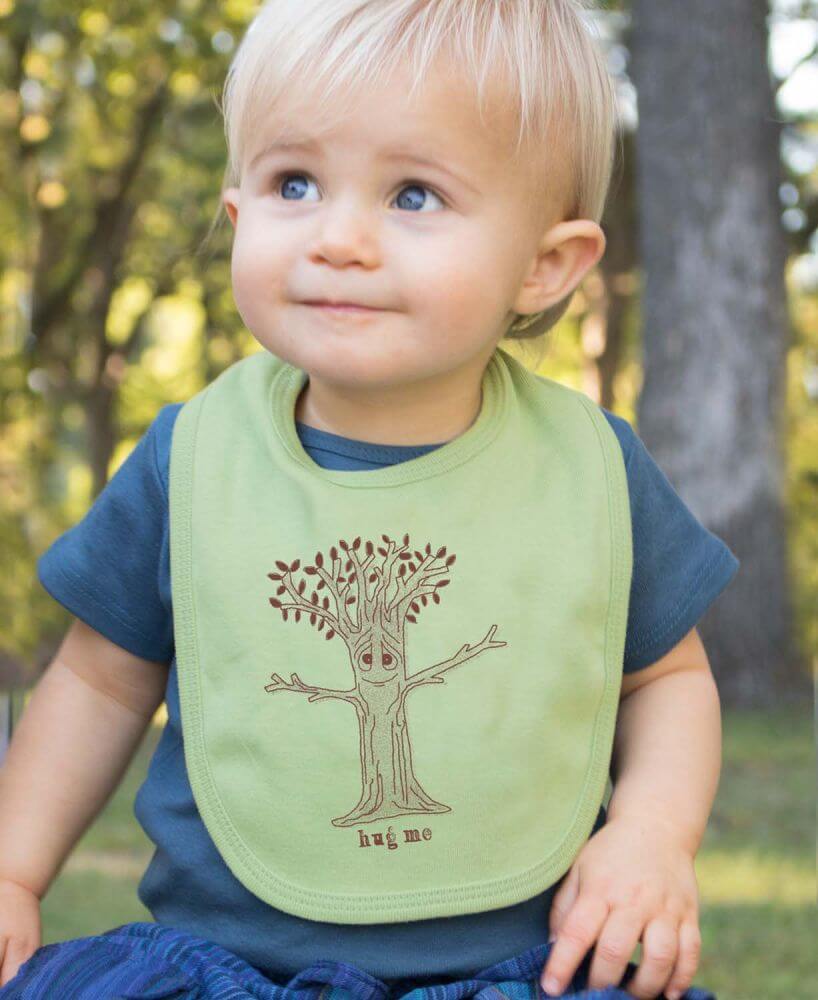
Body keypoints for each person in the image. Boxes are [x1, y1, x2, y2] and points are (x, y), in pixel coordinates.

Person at [0, 2, 739, 998]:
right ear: (237, 215)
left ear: (543, 264)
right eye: (293, 183)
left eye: (414, 195)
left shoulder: (590, 471)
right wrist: (12, 868)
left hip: (525, 971)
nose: (338, 237)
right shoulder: (194, 459)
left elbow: (665, 681)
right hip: (227, 969)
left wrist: (650, 834)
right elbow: (97, 682)